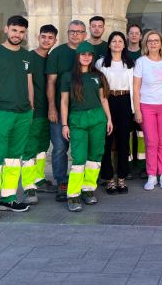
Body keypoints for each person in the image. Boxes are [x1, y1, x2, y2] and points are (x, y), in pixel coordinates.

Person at [0, 15, 34, 220]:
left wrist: (31, 109)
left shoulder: (26, 56)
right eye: (14, 30)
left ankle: (8, 197)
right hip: (0, 114)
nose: (17, 35)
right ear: (6, 29)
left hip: (22, 114)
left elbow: (29, 84)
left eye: (21, 32)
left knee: (13, 159)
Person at [60, 42, 113, 212]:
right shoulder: (68, 76)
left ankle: (88, 190)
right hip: (77, 120)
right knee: (79, 158)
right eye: (83, 54)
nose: (86, 57)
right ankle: (73, 194)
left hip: (98, 118)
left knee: (95, 156)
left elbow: (104, 99)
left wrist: (109, 119)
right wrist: (64, 124)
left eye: (89, 54)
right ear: (78, 56)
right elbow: (64, 101)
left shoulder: (98, 75)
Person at [46, 19, 87, 202]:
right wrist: (52, 108)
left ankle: (82, 182)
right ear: (67, 33)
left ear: (84, 34)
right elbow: (51, 82)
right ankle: (62, 181)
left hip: (82, 111)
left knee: (81, 148)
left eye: (79, 31)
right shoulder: (58, 53)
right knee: (60, 148)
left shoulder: (87, 52)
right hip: (60, 109)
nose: (75, 34)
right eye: (72, 31)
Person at [133, 30, 162, 190]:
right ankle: (152, 175)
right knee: (151, 141)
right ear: (146, 43)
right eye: (150, 40)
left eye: (156, 40)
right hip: (147, 106)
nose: (153, 43)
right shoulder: (141, 62)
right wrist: (137, 110)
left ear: (161, 43)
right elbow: (135, 88)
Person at [21, 24, 58, 205]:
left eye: (50, 38)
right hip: (32, 112)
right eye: (43, 36)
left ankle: (39, 179)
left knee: (42, 147)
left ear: (55, 40)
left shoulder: (53, 59)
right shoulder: (28, 57)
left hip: (48, 112)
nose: (46, 40)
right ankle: (28, 186)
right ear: (38, 37)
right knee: (29, 148)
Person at [96, 31, 135, 195]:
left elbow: (135, 87)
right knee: (106, 140)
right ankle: (108, 178)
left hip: (125, 101)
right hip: (107, 101)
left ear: (124, 44)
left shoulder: (130, 63)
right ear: (109, 44)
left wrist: (135, 108)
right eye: (114, 41)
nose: (117, 43)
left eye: (120, 41)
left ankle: (122, 177)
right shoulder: (101, 63)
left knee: (124, 142)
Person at [125, 23, 145, 178]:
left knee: (142, 133)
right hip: (126, 99)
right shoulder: (123, 53)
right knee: (128, 133)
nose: (134, 35)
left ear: (141, 36)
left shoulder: (145, 53)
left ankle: (143, 165)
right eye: (131, 33)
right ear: (127, 35)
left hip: (143, 98)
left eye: (136, 33)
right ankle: (129, 165)